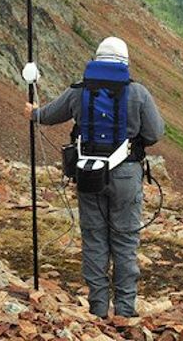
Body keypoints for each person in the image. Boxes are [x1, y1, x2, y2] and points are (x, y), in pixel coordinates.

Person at [24, 36, 165, 318]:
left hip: (88, 173)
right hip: (126, 174)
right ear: (124, 61)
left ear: (97, 59)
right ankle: (125, 311)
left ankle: (98, 309)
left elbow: (49, 115)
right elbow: (154, 133)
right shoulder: (137, 93)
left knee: (95, 239)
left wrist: (33, 112)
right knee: (125, 241)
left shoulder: (79, 91)